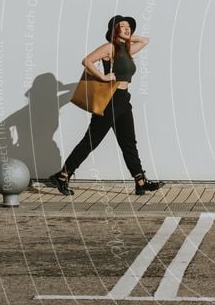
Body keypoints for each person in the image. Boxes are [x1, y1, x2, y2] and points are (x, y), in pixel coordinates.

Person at [48, 15, 165, 196]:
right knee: (91, 141)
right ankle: (63, 175)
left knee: (129, 143)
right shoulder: (110, 48)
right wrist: (103, 77)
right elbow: (86, 60)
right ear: (113, 30)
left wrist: (126, 37)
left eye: (129, 27)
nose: (127, 29)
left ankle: (140, 181)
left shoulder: (127, 50)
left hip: (124, 100)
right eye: (122, 26)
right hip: (111, 100)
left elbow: (145, 40)